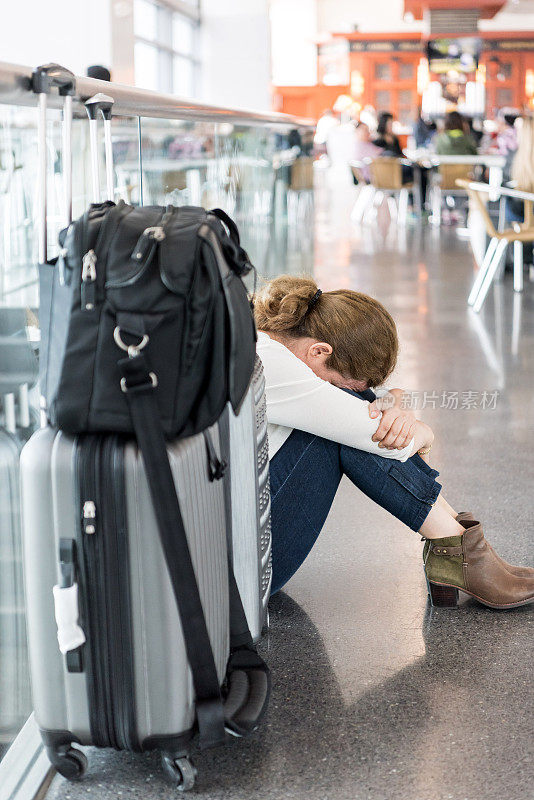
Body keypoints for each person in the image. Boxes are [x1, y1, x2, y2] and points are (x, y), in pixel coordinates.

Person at [255, 275, 534, 609]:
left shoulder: (269, 344)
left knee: (362, 412)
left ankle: (459, 547)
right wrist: (425, 432)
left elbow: (370, 406)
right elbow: (373, 433)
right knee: (350, 434)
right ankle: (458, 551)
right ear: (319, 350)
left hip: (248, 538)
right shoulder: (269, 363)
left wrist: (394, 403)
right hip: (246, 572)